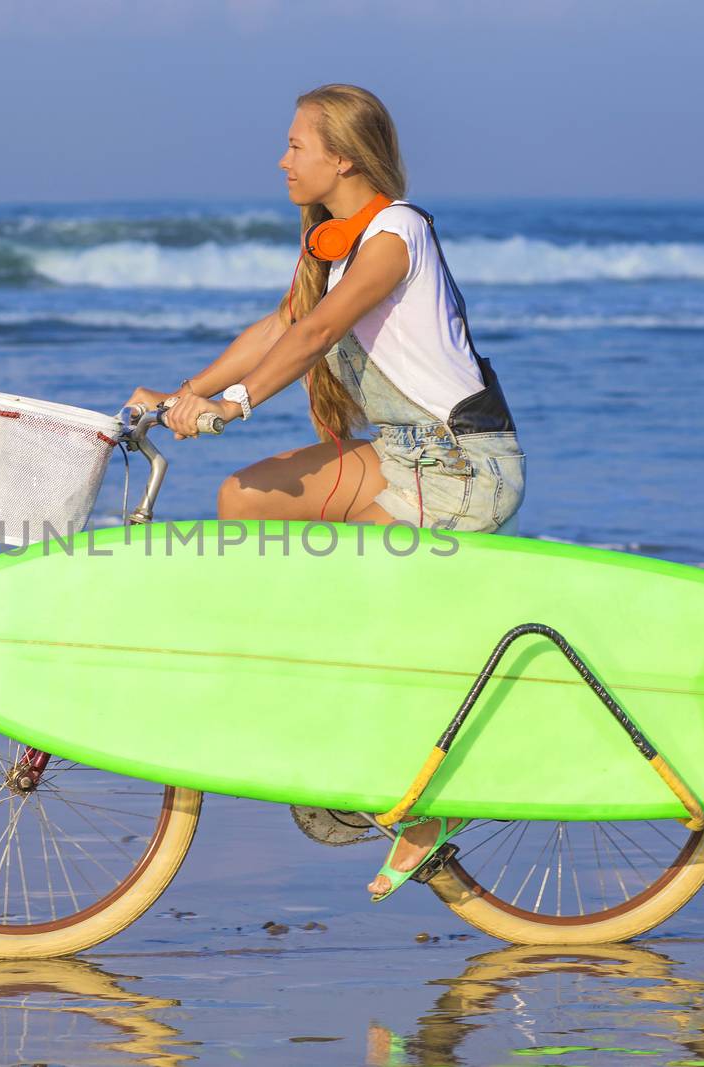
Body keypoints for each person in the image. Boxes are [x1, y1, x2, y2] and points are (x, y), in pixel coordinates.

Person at [122, 83, 526, 900]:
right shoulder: (332, 245)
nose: (282, 159)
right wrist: (179, 395)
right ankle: (303, 682)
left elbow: (317, 335)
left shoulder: (396, 233)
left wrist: (233, 407)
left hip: (462, 468)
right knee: (244, 499)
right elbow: (278, 328)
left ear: (341, 156)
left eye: (296, 145)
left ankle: (417, 799)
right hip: (401, 455)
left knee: (346, 599)